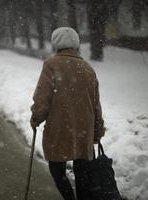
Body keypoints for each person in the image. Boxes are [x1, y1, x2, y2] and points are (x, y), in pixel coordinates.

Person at [30, 27, 105, 200]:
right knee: (83, 176)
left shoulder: (51, 64)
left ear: (56, 43)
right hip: (83, 130)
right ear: (76, 44)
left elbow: (43, 97)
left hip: (59, 128)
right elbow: (96, 105)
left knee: (57, 170)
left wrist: (36, 118)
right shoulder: (87, 68)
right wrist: (98, 130)